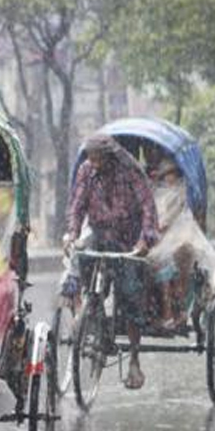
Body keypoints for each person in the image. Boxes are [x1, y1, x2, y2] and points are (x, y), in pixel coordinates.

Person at [64, 133, 159, 390]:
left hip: (128, 236)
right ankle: (89, 311)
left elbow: (148, 207)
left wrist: (144, 241)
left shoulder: (130, 171)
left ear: (109, 156)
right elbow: (77, 205)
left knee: (130, 294)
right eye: (90, 158)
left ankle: (134, 361)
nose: (93, 163)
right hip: (99, 231)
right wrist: (72, 232)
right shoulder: (86, 170)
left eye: (97, 158)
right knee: (81, 260)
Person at [148, 158, 215, 329]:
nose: (169, 178)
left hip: (178, 236)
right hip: (158, 238)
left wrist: (160, 229)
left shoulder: (182, 192)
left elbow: (171, 218)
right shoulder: (155, 192)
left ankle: (175, 311)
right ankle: (159, 311)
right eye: (166, 175)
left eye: (172, 174)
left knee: (173, 262)